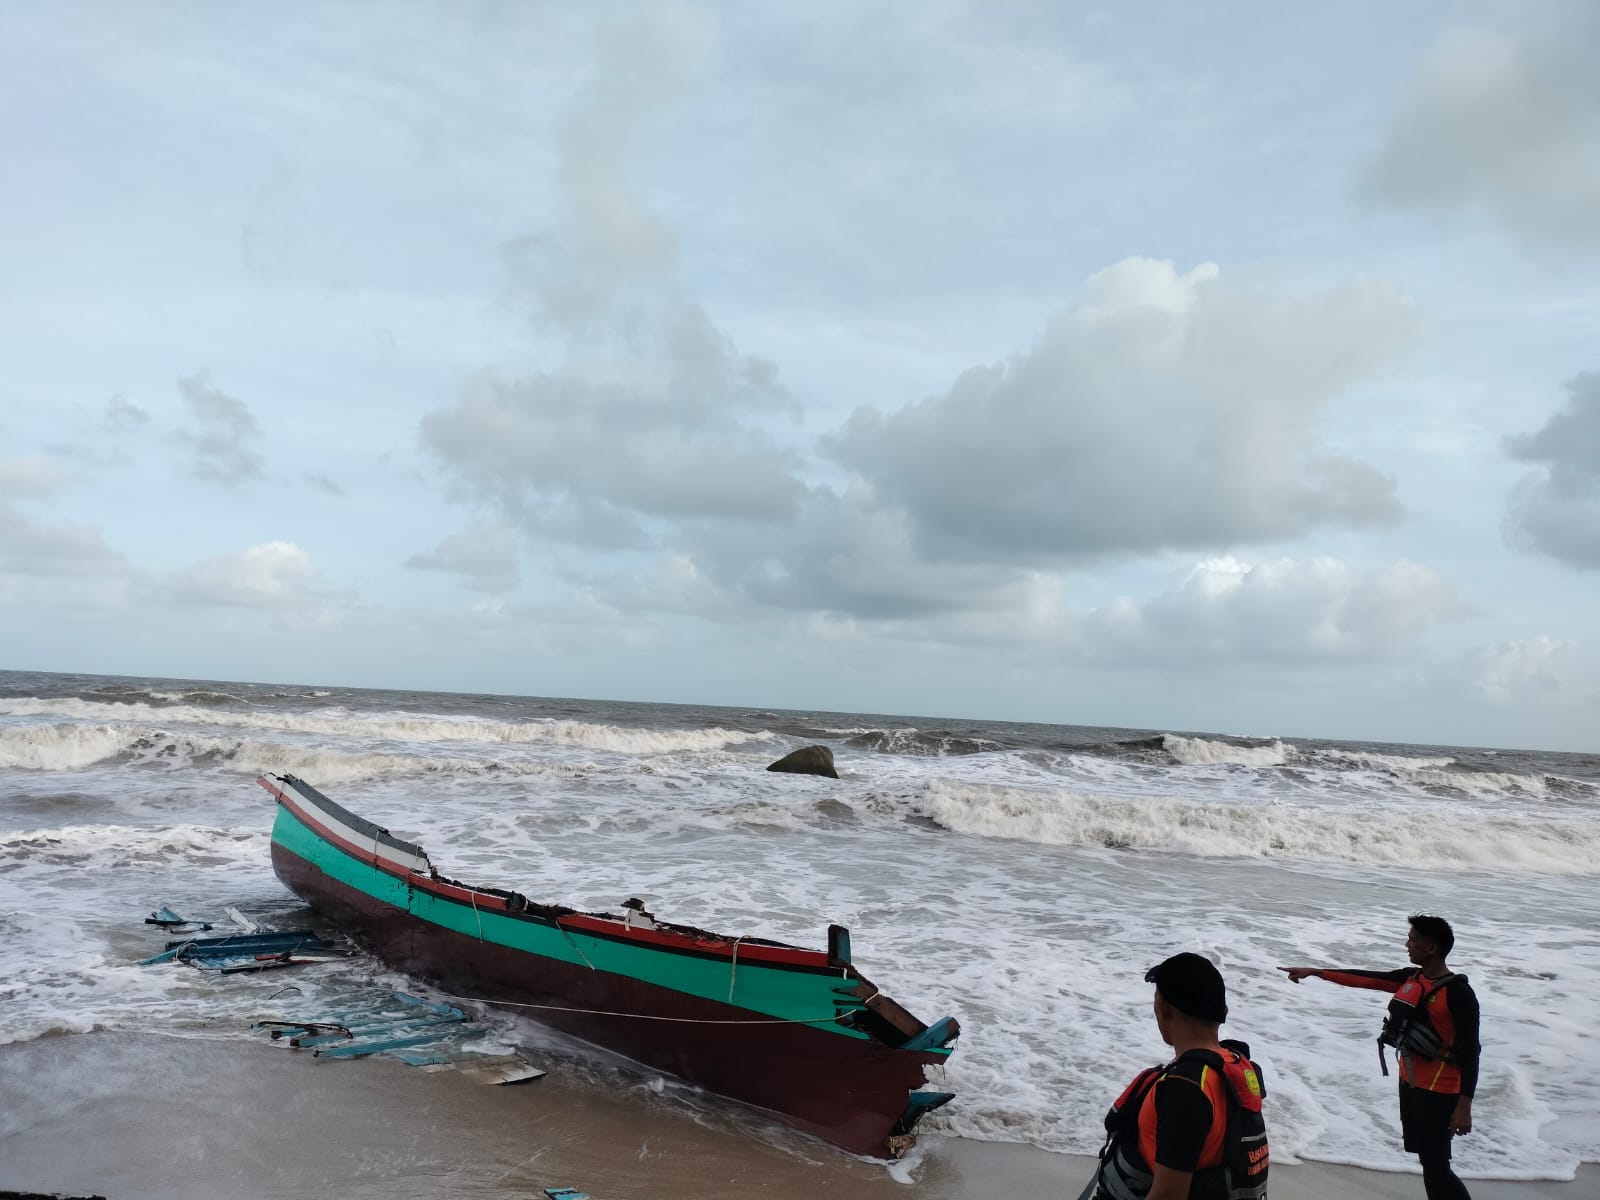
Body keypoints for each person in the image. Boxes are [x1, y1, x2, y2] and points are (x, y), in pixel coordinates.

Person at [1279, 913, 1480, 1200]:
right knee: (1429, 1163)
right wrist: (1316, 971)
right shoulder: (1413, 979)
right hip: (1411, 1085)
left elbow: (1472, 1051)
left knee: (1436, 1165)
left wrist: (1464, 1106)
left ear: (1432, 948)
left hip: (1440, 1091)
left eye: (1413, 940)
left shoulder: (1459, 993)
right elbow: (1366, 979)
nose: (1406, 944)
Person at [1090, 953, 1269, 1200]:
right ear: (1222, 1011)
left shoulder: (1185, 1088)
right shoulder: (1234, 1067)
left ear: (1163, 1007)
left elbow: (1169, 1195)